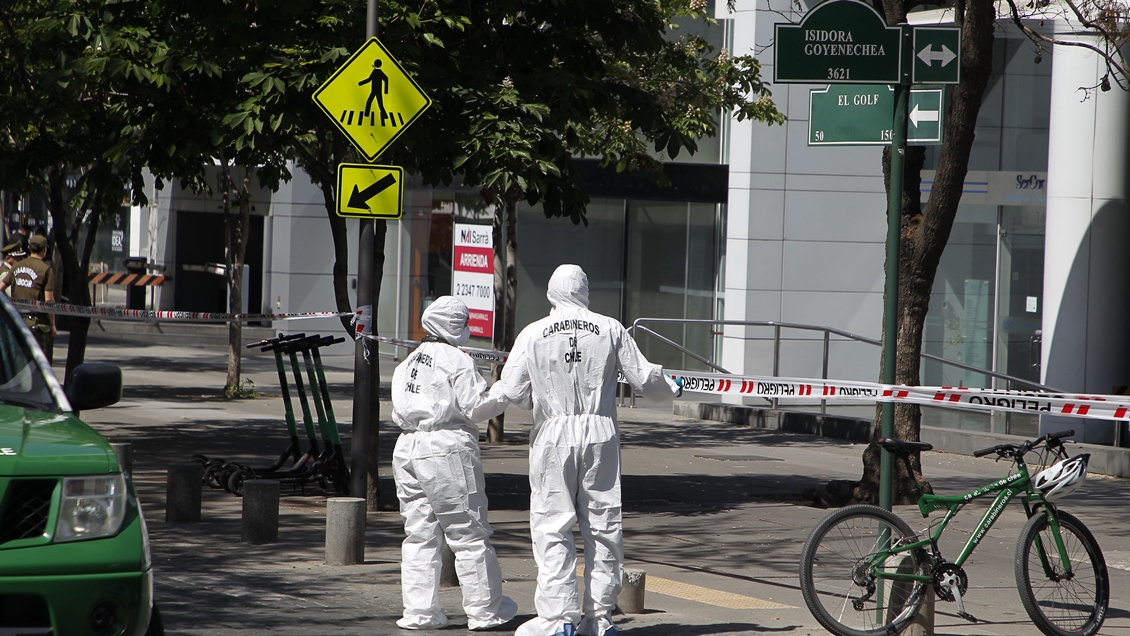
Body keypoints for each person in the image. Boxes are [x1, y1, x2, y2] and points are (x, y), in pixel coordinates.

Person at [497, 264, 681, 636]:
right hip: (599, 431)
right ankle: (599, 619)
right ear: (584, 290)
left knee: (552, 525)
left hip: (553, 433)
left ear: (551, 291)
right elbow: (644, 378)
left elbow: (513, 390)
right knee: (603, 526)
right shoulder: (610, 327)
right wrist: (673, 386)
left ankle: (558, 619)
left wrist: (541, 399)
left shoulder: (532, 333)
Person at [390, 296, 518, 631]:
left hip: (407, 447)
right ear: (452, 325)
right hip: (445, 447)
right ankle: (485, 611)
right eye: (462, 323)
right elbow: (477, 407)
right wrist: (505, 390)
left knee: (419, 534)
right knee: (468, 533)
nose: (466, 331)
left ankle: (420, 613)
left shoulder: (406, 363)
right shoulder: (456, 360)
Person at [0, 234, 56, 358]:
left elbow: (0, 288)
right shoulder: (46, 270)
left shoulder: (16, 266)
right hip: (37, 326)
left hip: (17, 322)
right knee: (37, 362)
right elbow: (49, 300)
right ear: (45, 250)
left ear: (29, 249)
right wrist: (53, 325)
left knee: (19, 360)